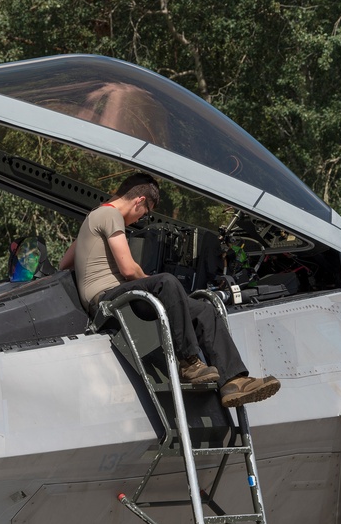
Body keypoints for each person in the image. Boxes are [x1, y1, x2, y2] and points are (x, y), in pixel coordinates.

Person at [59, 173, 280, 407]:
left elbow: (64, 263)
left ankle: (234, 381)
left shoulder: (94, 217)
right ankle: (189, 362)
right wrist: (152, 281)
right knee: (167, 282)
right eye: (145, 212)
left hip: (119, 297)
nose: (139, 219)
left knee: (205, 310)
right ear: (139, 201)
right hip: (109, 300)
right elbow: (128, 269)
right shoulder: (111, 214)